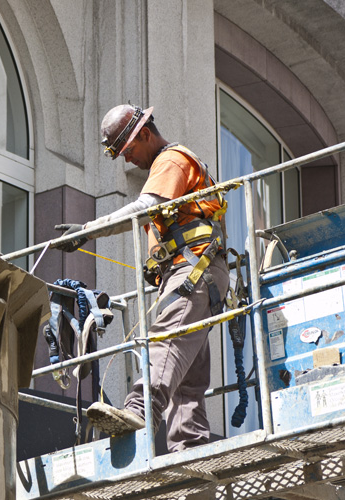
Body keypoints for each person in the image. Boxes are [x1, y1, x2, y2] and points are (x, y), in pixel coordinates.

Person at [55, 104, 230, 452]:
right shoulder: (169, 164)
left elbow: (143, 208)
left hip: (193, 271)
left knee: (165, 343)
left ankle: (138, 410)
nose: (128, 159)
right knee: (186, 374)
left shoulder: (171, 160)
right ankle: (190, 452)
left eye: (129, 150)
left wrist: (88, 230)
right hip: (199, 274)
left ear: (146, 134)